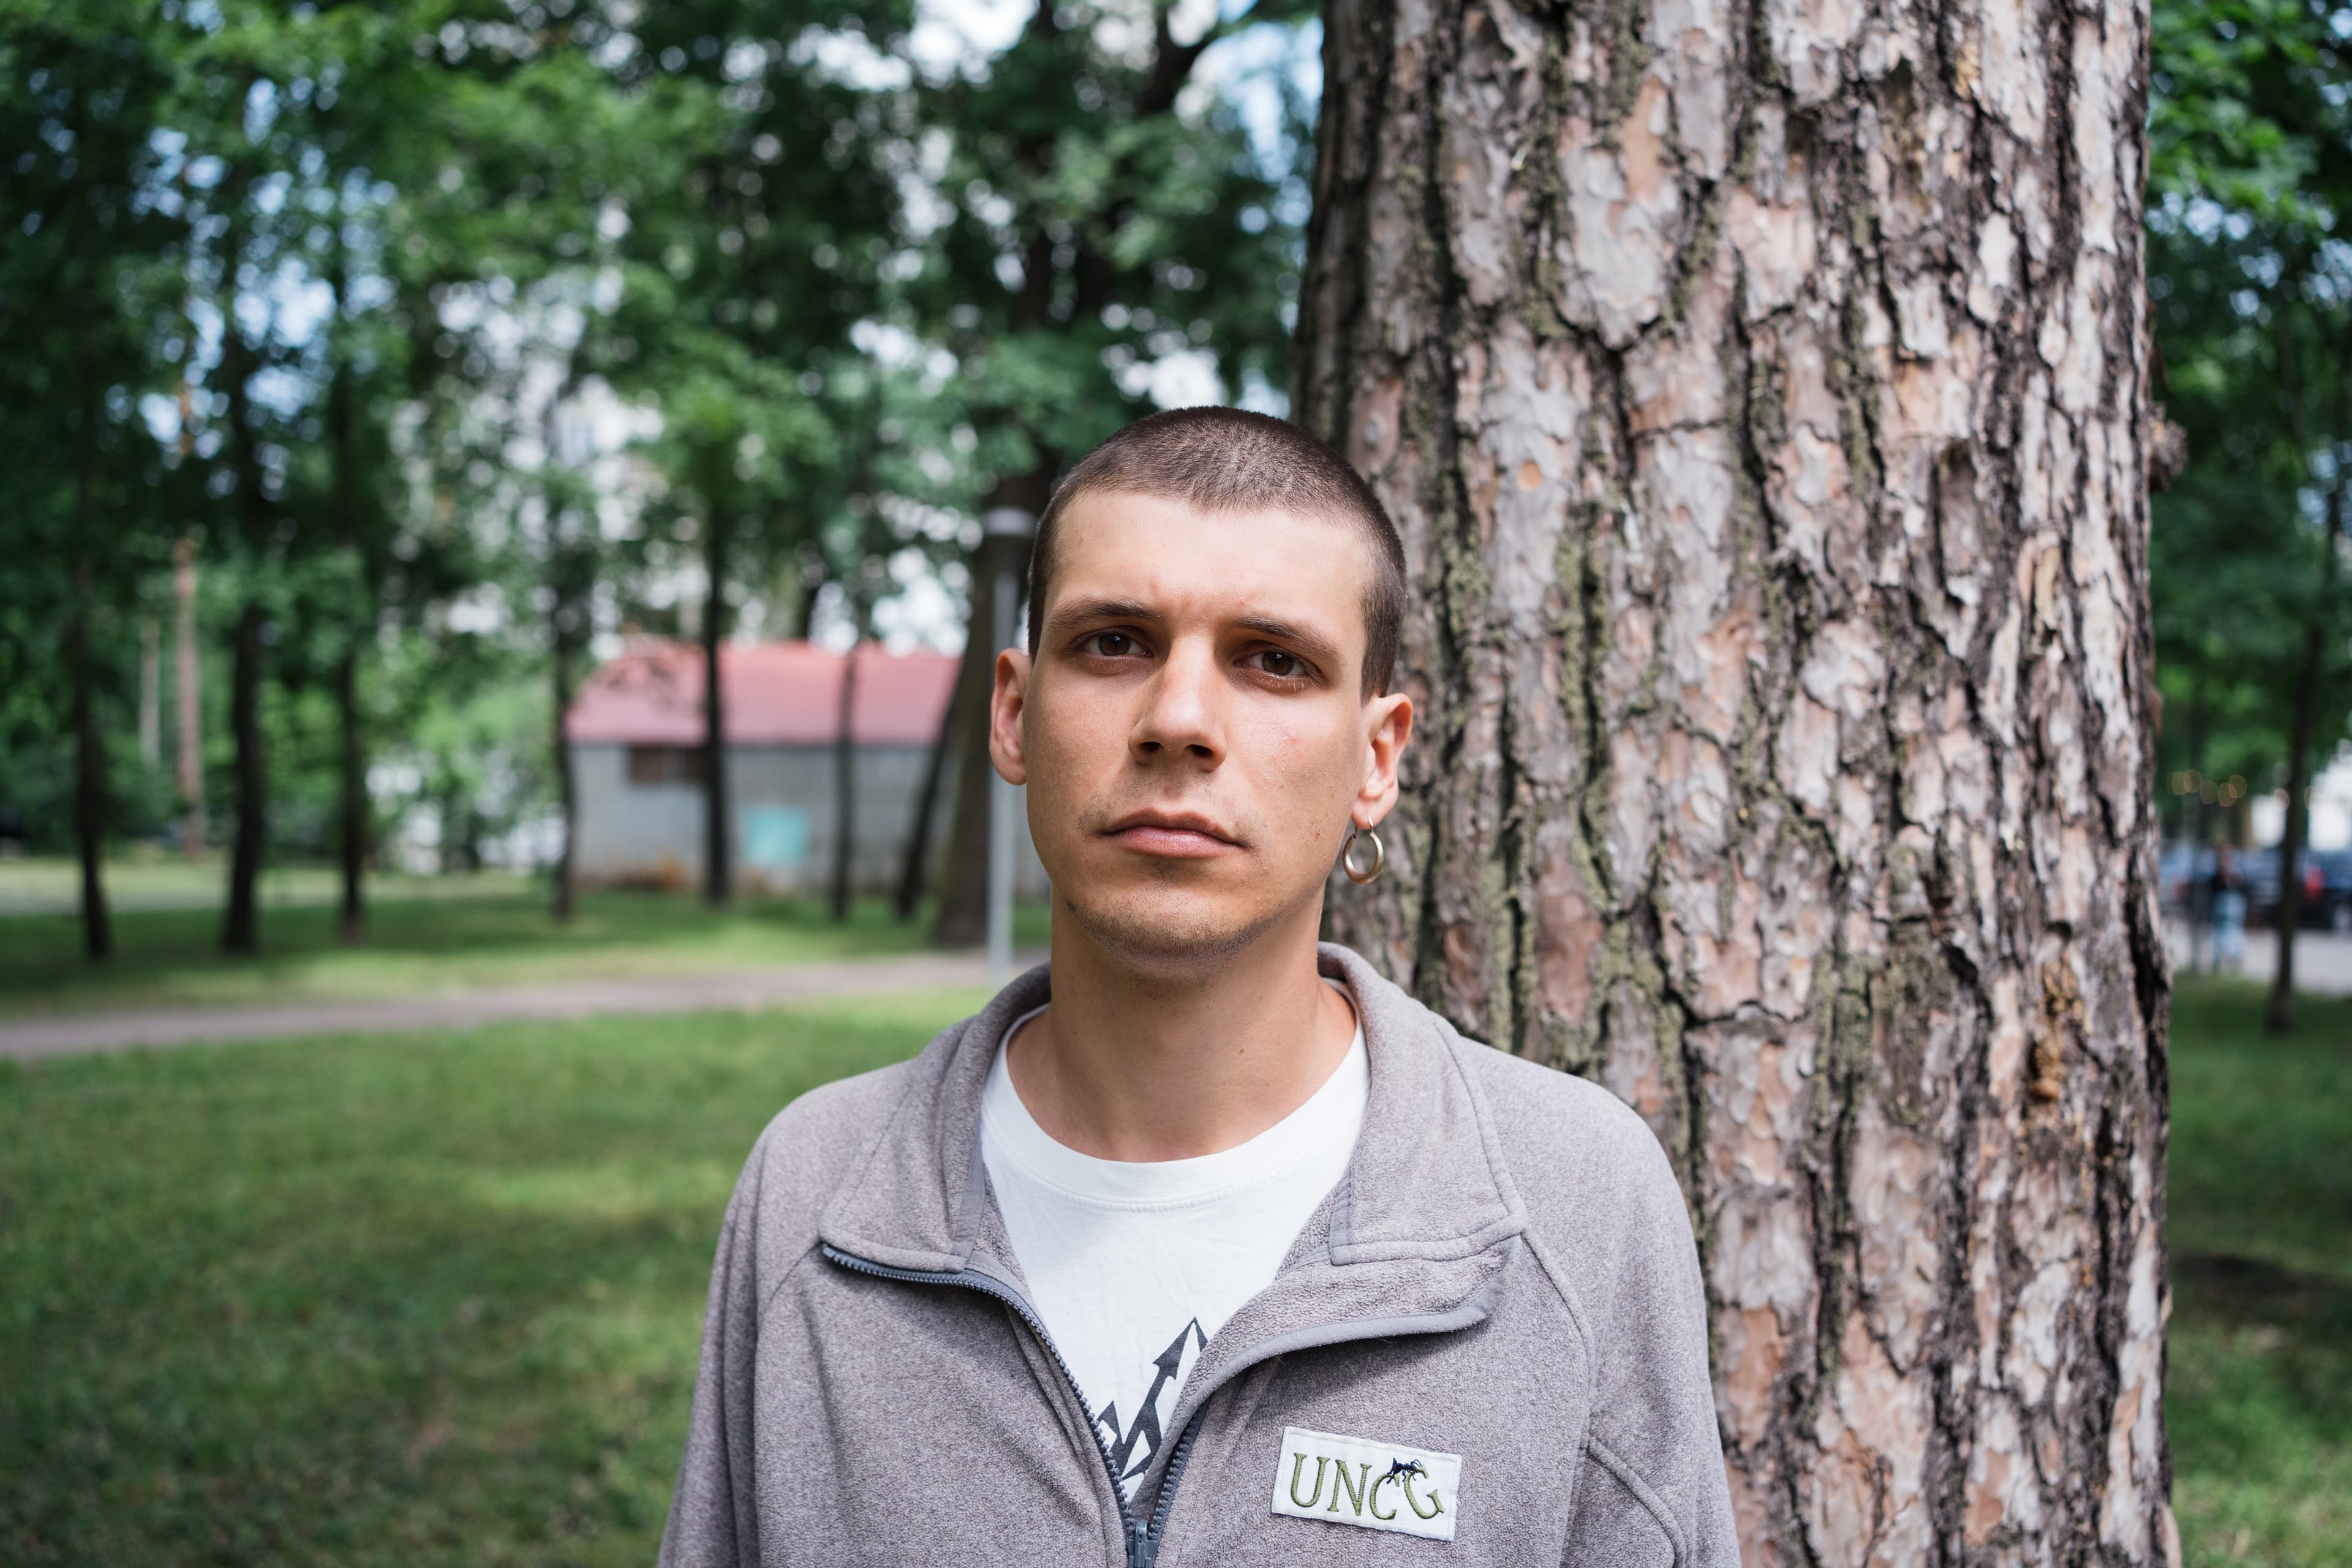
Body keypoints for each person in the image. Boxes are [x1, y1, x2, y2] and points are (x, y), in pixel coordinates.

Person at [658, 407, 1738, 1566]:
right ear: (1016, 712)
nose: (1179, 720)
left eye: (1274, 660)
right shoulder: (816, 1196)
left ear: (1377, 757)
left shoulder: (1573, 1204)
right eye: (1116, 642)